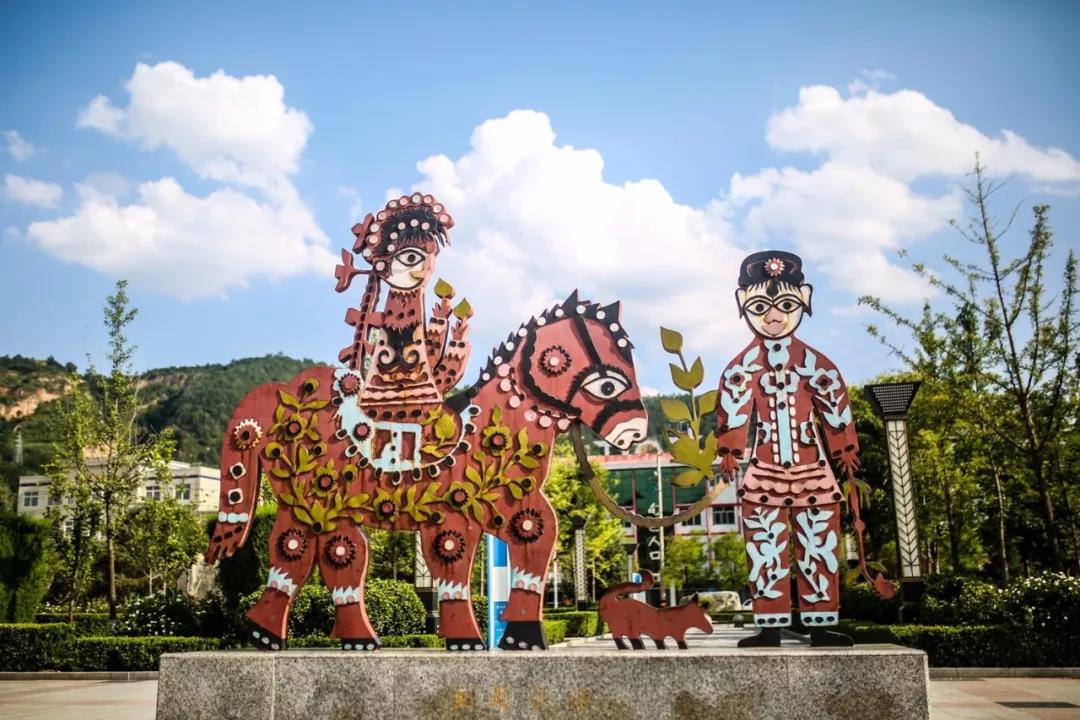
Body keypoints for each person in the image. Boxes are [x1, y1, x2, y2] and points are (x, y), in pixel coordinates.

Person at [715, 251, 859, 647]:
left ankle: (820, 623)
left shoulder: (817, 364)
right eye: (761, 307)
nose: (774, 317)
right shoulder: (741, 368)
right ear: (743, 303)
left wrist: (844, 447)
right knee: (765, 547)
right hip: (763, 470)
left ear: (805, 299)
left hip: (813, 469)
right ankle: (770, 626)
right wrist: (729, 450)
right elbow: (732, 412)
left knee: (819, 543)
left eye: (786, 305)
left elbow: (835, 407)